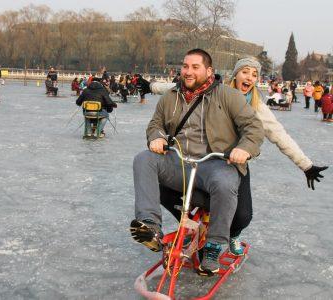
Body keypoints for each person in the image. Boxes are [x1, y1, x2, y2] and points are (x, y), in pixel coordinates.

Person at [137, 57, 329, 258]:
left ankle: (233, 233)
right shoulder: (215, 92)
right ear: (236, 74)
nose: (250, 78)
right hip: (203, 160)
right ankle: (191, 225)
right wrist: (151, 86)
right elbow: (182, 86)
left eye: (255, 74)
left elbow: (280, 136)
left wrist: (306, 166)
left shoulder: (256, 107)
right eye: (245, 72)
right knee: (163, 187)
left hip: (233, 164)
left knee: (242, 215)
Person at [130, 49, 265, 275]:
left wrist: (244, 148)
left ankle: (213, 245)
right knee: (144, 159)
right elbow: (155, 125)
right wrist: (156, 137)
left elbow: (254, 127)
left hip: (216, 163)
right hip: (179, 160)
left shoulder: (228, 96)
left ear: (208, 70)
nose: (188, 72)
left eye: (195, 67)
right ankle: (150, 225)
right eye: (185, 66)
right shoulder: (170, 96)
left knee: (224, 184)